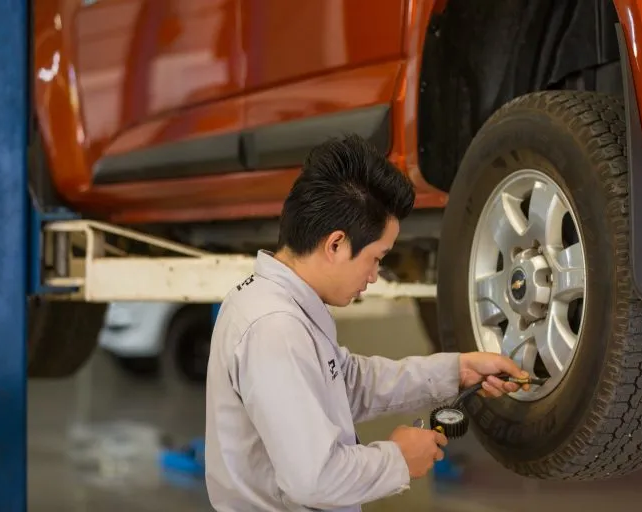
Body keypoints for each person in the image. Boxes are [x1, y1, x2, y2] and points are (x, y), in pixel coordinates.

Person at [204, 134, 531, 512]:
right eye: (376, 257)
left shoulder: (281, 306)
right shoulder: (275, 329)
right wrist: (398, 459)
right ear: (336, 244)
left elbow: (349, 384)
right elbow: (315, 480)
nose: (375, 275)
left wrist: (456, 371)